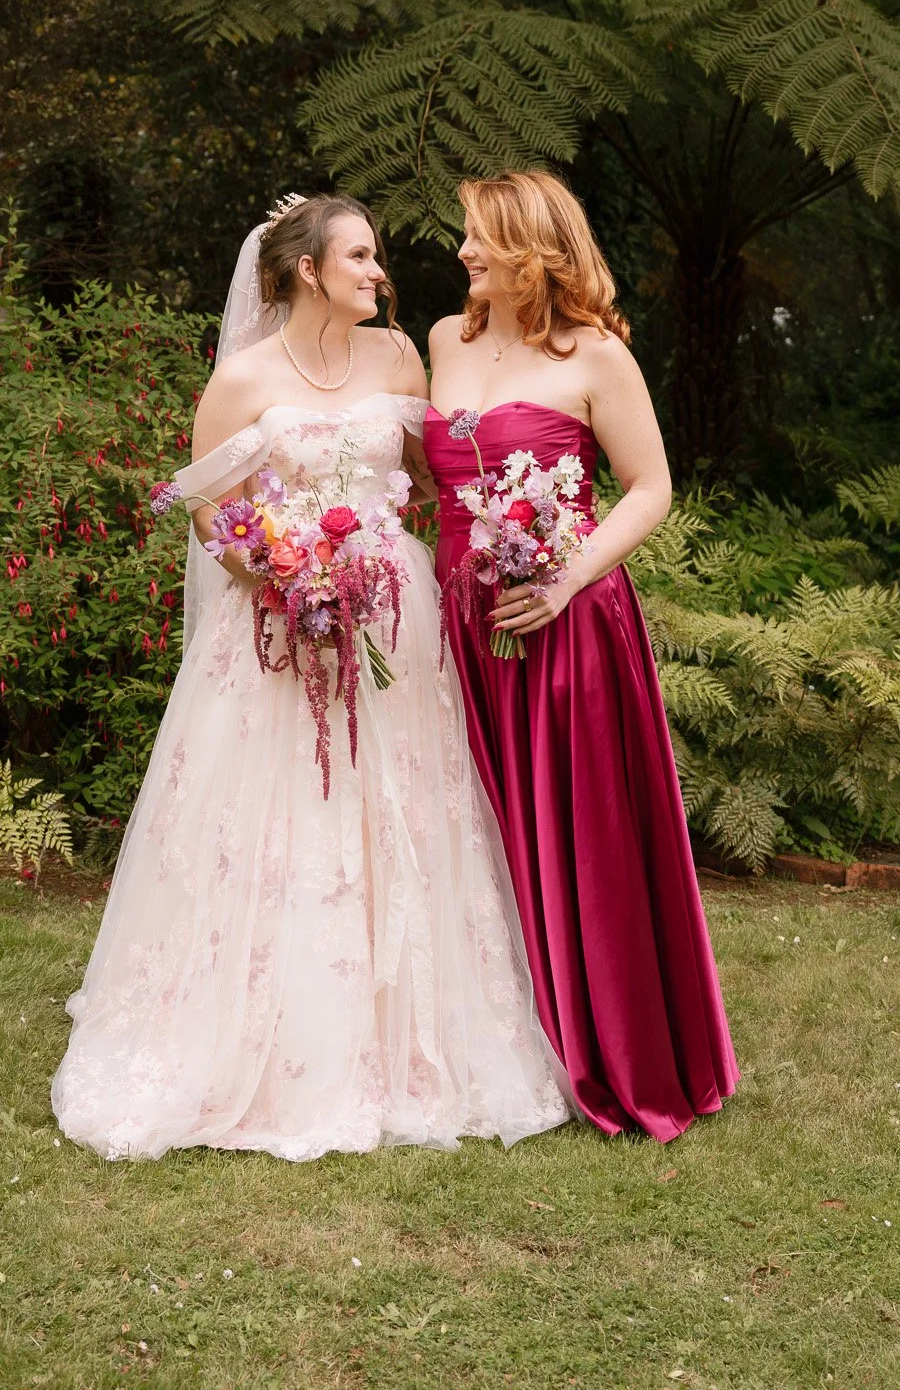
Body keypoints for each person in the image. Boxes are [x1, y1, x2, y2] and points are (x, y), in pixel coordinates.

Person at [52, 193, 569, 1161]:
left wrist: (519, 532)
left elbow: (437, 471)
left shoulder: (400, 356)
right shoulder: (241, 379)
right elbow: (211, 514)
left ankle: (412, 1039)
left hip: (394, 622)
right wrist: (284, 576)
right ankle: (259, 1036)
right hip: (277, 635)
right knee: (276, 815)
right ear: (307, 269)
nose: (381, 271)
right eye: (362, 254)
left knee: (404, 805)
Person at [423, 170, 738, 1142]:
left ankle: (609, 1051)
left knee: (582, 844)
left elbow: (649, 486)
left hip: (568, 630)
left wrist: (562, 581)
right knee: (473, 833)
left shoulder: (595, 355)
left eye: (479, 238)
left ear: (531, 252)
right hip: (457, 627)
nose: (463, 253)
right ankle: (488, 1045)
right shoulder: (443, 339)